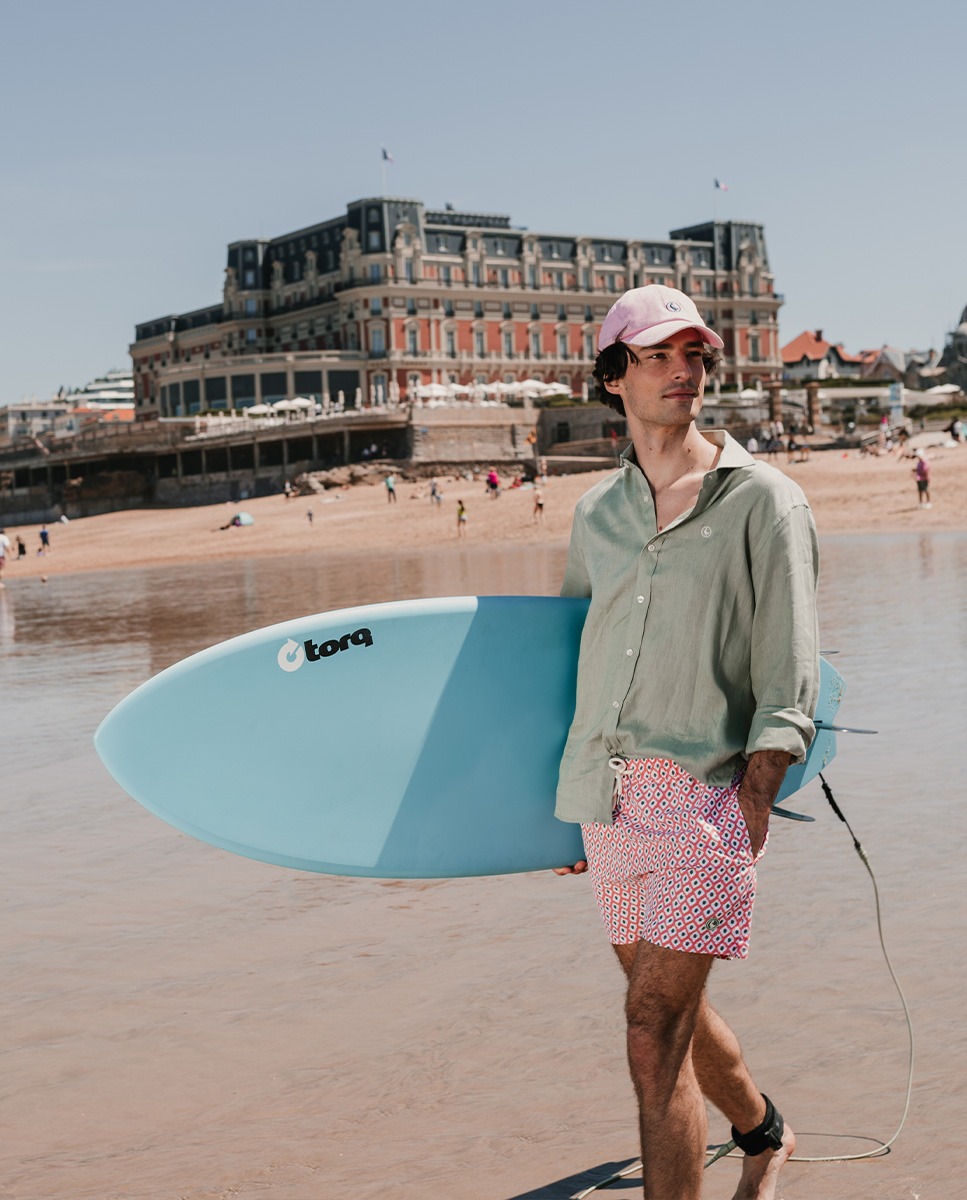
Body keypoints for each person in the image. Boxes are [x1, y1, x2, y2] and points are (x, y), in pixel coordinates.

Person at [554, 285, 818, 1200]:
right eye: (659, 355)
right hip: (610, 801)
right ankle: (761, 1131)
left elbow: (791, 665)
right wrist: (566, 803)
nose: (683, 371)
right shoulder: (596, 515)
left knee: (647, 1031)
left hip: (705, 800)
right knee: (675, 1013)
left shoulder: (762, 500)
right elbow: (572, 663)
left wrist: (753, 796)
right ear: (614, 375)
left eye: (695, 355)